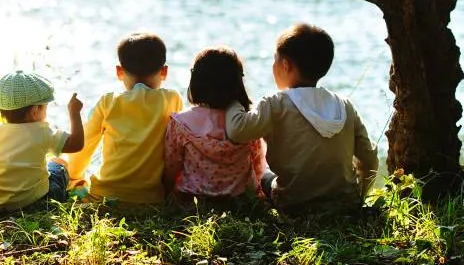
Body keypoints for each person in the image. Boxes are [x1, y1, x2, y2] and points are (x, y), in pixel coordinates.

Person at [225, 23, 379, 213]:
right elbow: (370, 160)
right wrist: (359, 196)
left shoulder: (275, 104)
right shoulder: (344, 105)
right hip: (344, 204)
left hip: (293, 204)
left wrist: (232, 100)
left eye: (275, 60)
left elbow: (237, 130)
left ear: (285, 65)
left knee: (264, 174)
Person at [65, 32, 183, 203]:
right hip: (151, 200)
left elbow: (85, 145)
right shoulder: (172, 100)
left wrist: (75, 177)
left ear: (119, 72)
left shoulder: (108, 102)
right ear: (164, 72)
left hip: (105, 197)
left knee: (59, 164)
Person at [0, 70, 85, 211]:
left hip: (0, 210)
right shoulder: (41, 132)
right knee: (60, 163)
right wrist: (74, 113)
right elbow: (76, 143)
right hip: (41, 205)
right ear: (35, 111)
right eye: (45, 108)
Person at [162, 47, 266, 205]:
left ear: (196, 81)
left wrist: (166, 191)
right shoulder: (244, 122)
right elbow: (257, 162)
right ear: (237, 83)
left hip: (191, 201)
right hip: (240, 201)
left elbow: (171, 167)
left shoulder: (180, 123)